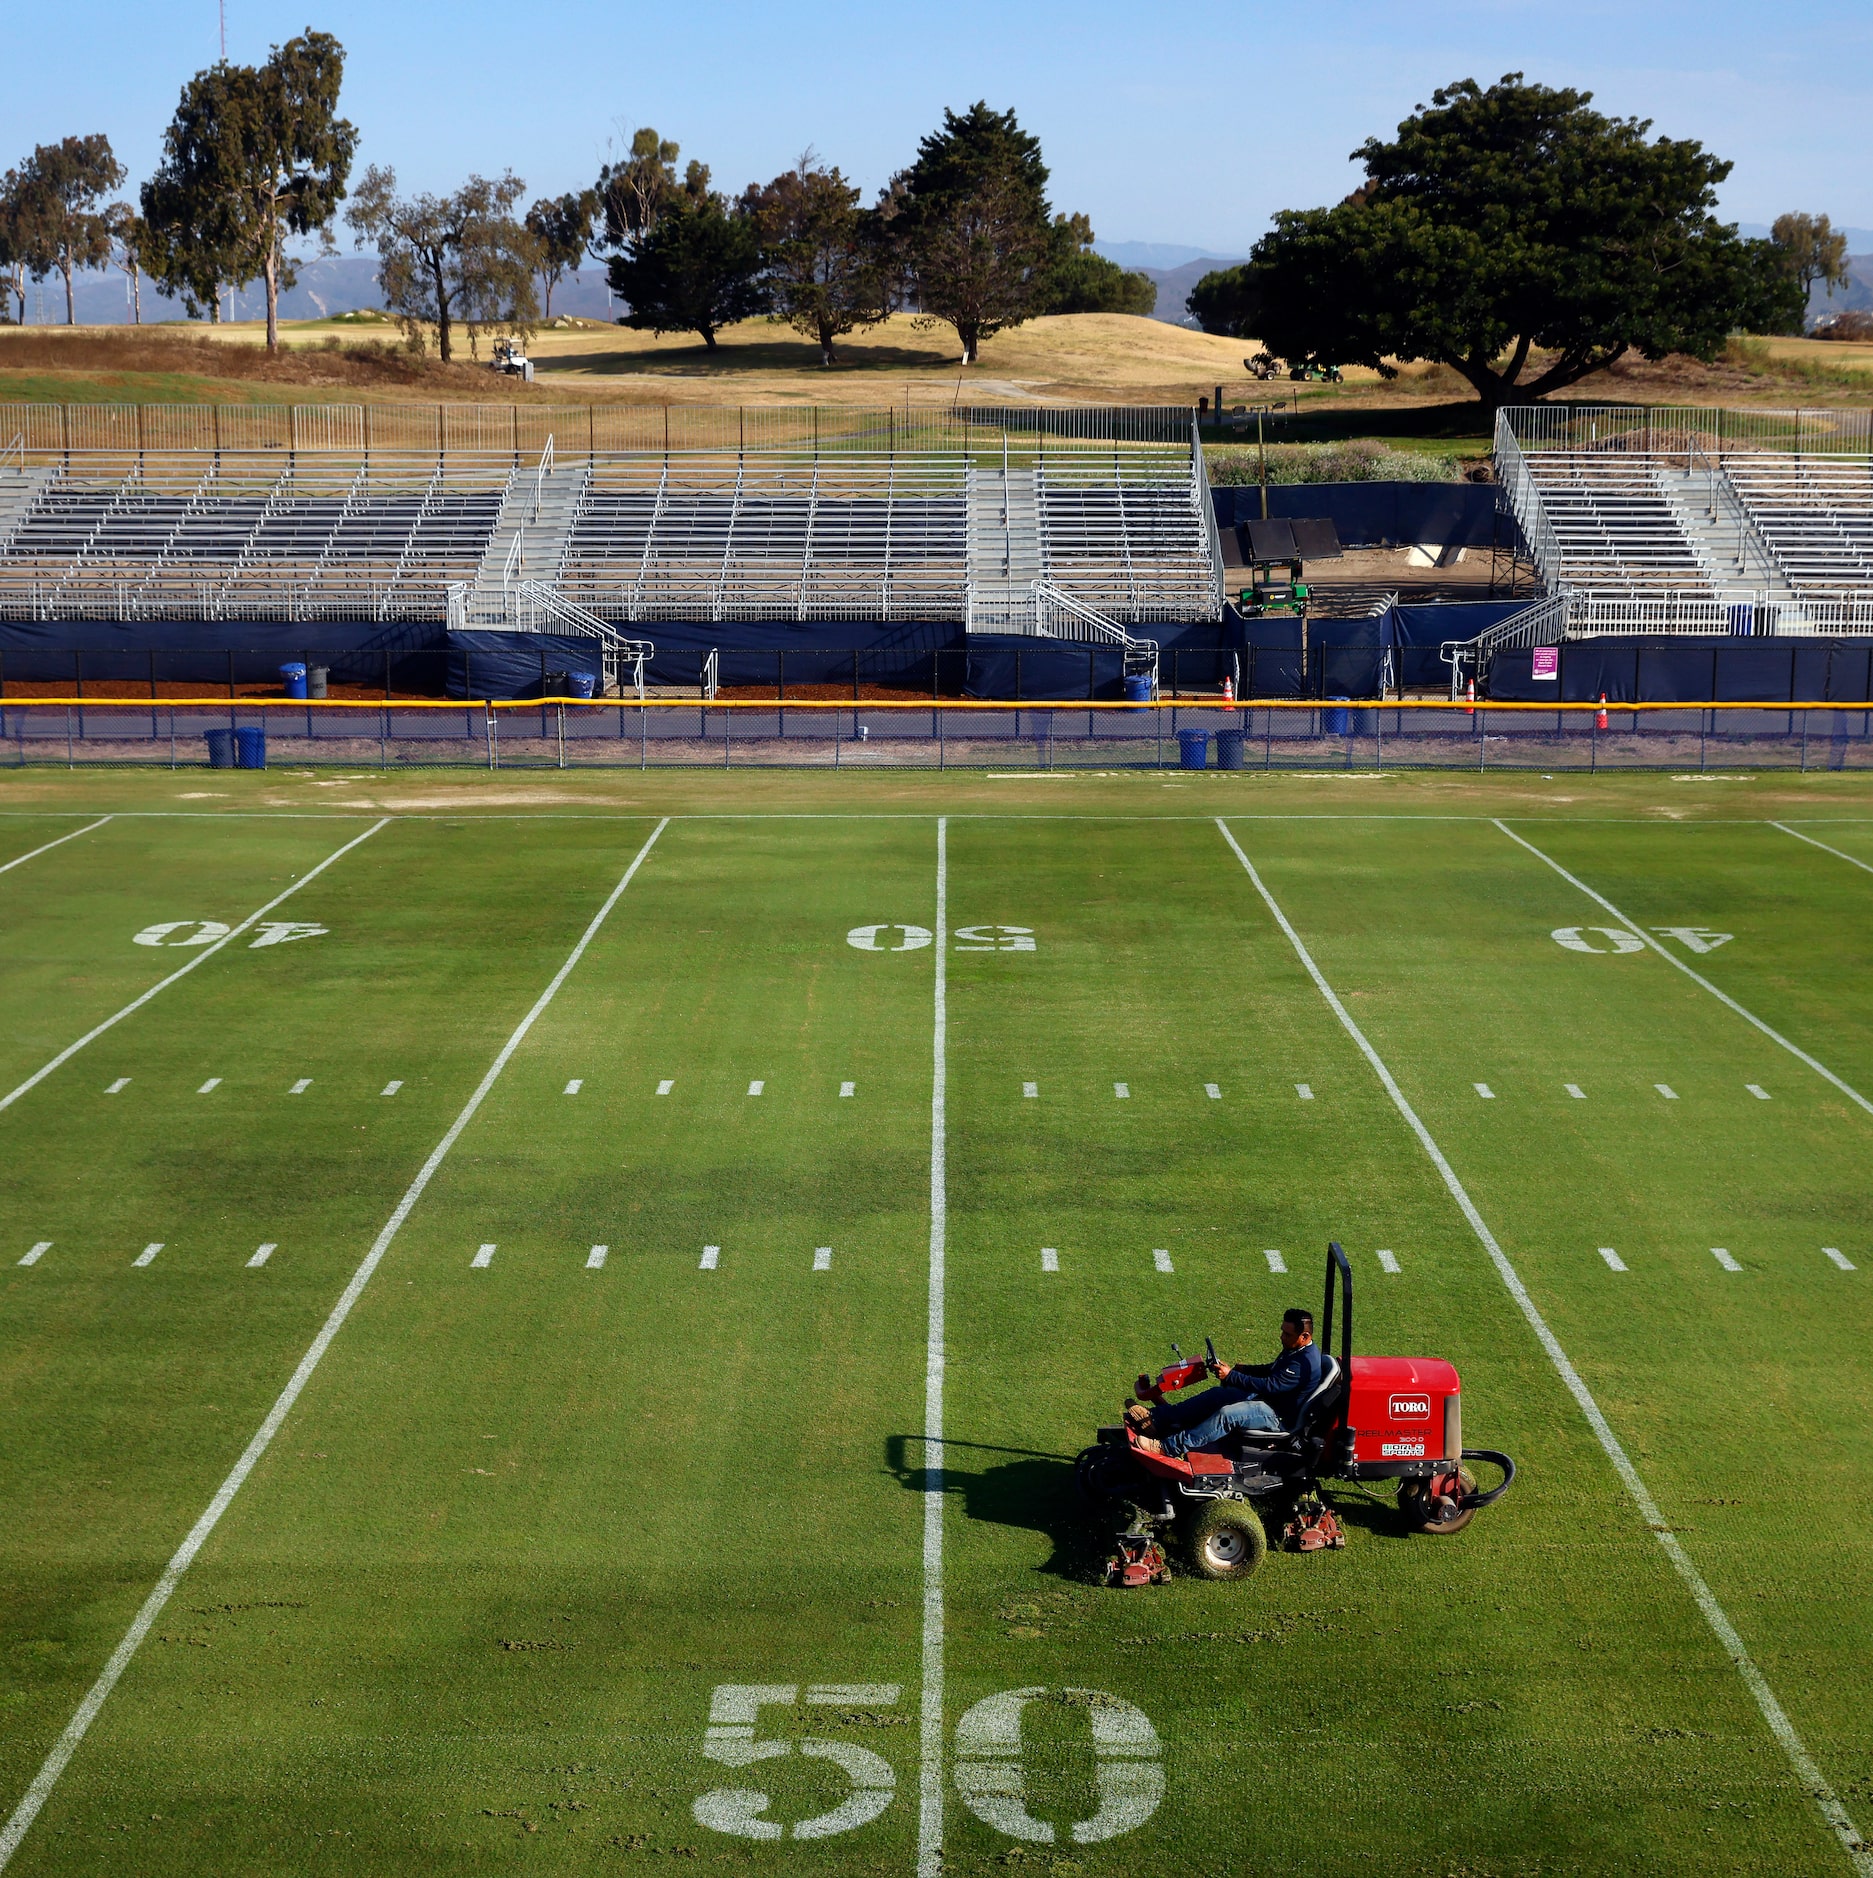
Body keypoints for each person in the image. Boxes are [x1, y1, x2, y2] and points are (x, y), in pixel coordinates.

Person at [1127, 1308, 1323, 1458]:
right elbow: (1272, 1369)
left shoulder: (1303, 1363)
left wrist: (1231, 1376)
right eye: (1283, 1331)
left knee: (1227, 1415)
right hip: (1270, 1401)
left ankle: (1167, 1447)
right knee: (1218, 1395)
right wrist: (1244, 1369)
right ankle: (1158, 1419)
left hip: (1278, 1416)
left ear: (1305, 1337)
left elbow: (1270, 1385)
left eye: (1287, 1334)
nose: (1282, 1336)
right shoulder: (1296, 1350)